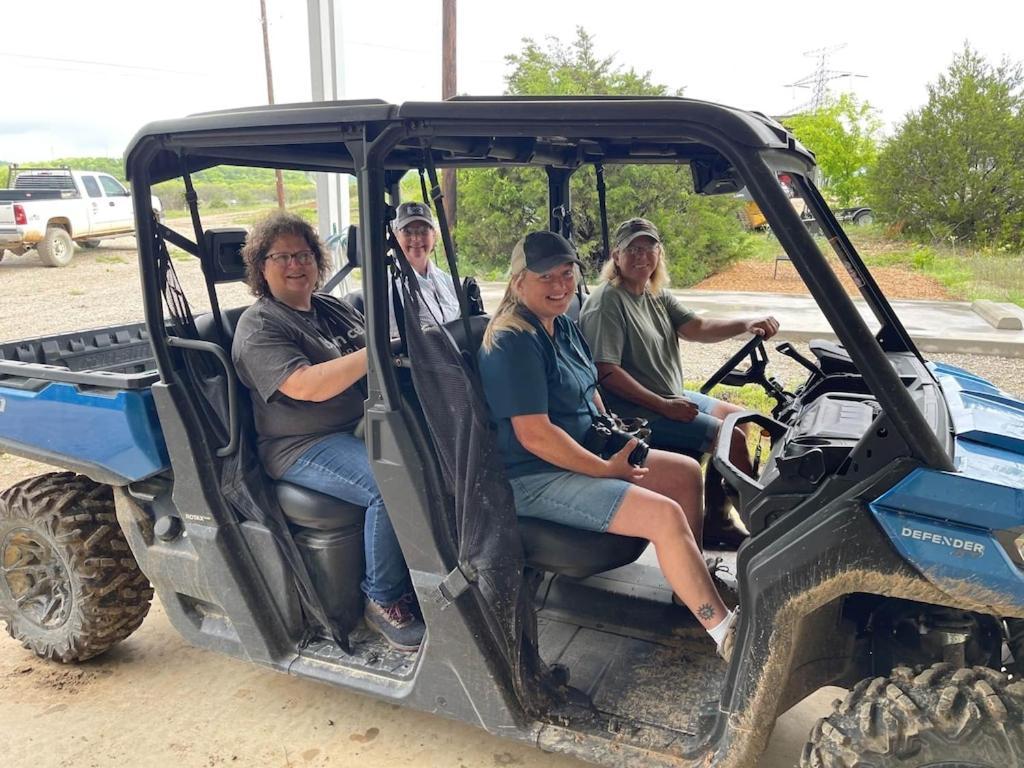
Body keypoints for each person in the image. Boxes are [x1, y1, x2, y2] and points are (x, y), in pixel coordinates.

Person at [478, 230, 738, 661]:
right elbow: (534, 435)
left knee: (686, 474)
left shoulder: (562, 325)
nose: (560, 286)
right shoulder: (511, 341)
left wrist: (616, 432)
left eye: (567, 273)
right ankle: (724, 630)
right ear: (519, 281)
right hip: (536, 475)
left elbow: (591, 388)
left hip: (584, 451)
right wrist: (604, 469)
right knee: (663, 514)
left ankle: (687, 589)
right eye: (546, 277)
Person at [231, 210, 425, 652]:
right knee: (390, 483)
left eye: (304, 254)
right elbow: (305, 385)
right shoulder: (260, 325)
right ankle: (382, 599)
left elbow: (379, 356)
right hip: (302, 444)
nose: (296, 264)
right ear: (261, 267)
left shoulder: (331, 307)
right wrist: (379, 350)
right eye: (282, 256)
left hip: (363, 424)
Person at [578, 218, 780, 548]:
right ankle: (763, 529)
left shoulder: (654, 293)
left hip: (668, 395)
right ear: (616, 256)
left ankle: (718, 519)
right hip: (637, 409)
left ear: (659, 254)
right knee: (728, 438)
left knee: (739, 419)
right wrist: (665, 407)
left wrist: (747, 322)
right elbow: (606, 372)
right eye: (633, 249)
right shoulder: (608, 302)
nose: (641, 256)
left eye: (649, 248)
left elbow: (696, 327)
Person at [387, 201, 460, 332]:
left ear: (434, 235)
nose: (416, 238)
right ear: (396, 236)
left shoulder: (448, 282)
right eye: (407, 232)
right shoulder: (389, 289)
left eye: (423, 231)